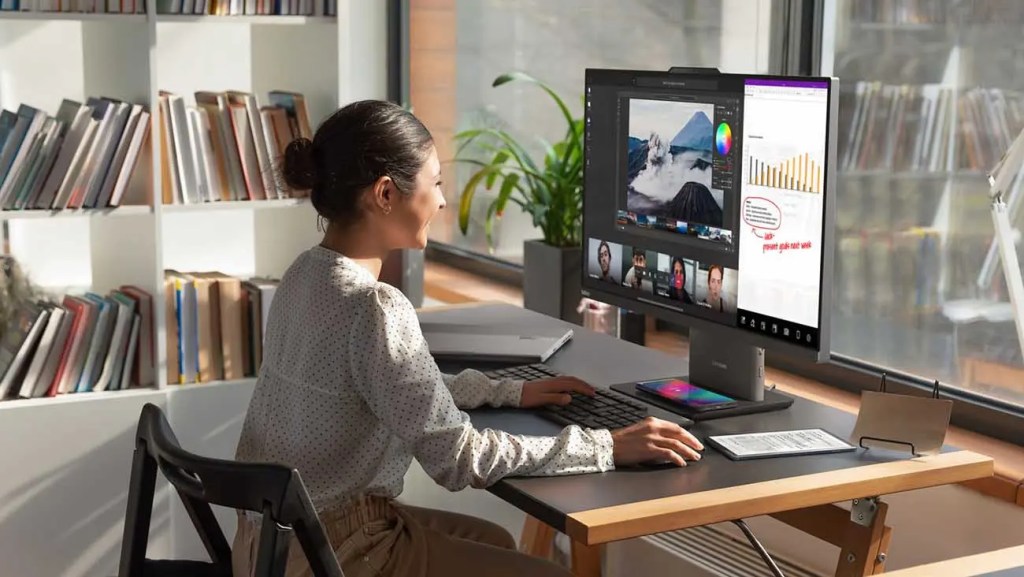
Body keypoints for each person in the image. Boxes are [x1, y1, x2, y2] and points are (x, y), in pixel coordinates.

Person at [230, 100, 703, 577]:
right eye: (434, 183)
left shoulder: (304, 275)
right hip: (339, 553)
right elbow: (458, 458)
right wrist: (606, 446)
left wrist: (509, 391)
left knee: (494, 540)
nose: (440, 200)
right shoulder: (375, 307)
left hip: (269, 546)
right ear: (386, 194)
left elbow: (392, 389)